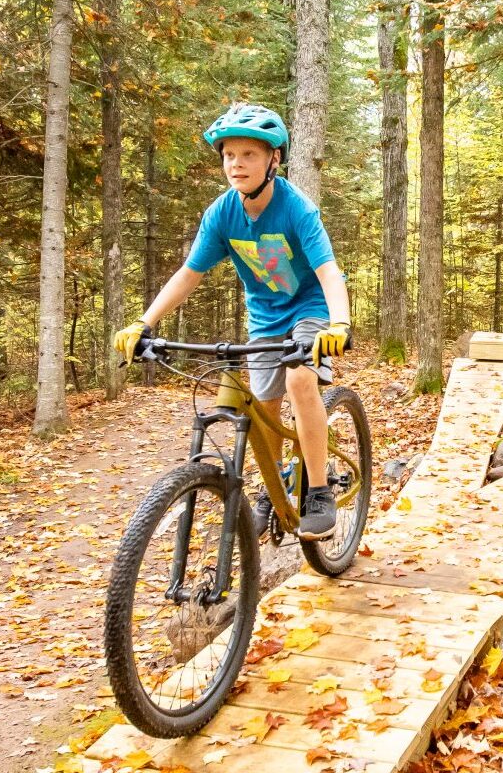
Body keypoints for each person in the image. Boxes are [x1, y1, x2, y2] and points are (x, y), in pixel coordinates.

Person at [113, 102, 351, 540]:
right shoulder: (221, 214)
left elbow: (328, 272)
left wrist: (339, 325)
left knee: (300, 380)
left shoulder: (297, 209)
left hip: (312, 308)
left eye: (249, 155)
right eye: (229, 155)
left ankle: (318, 489)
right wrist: (142, 322)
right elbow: (188, 273)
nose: (237, 164)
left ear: (272, 160)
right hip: (264, 316)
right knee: (264, 408)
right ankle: (275, 486)